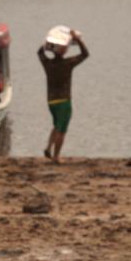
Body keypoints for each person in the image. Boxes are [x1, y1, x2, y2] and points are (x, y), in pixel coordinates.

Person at [37, 26, 89, 162]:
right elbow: (85, 54)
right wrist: (77, 39)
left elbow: (39, 53)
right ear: (64, 50)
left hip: (51, 102)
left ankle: (48, 148)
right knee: (62, 130)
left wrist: (47, 44)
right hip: (64, 101)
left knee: (56, 126)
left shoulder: (47, 64)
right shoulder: (67, 63)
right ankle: (56, 156)